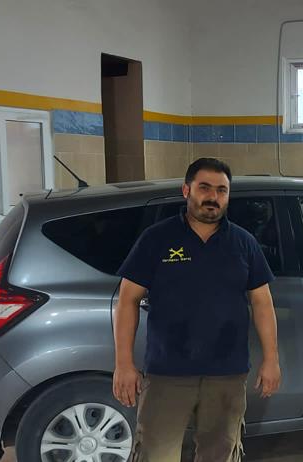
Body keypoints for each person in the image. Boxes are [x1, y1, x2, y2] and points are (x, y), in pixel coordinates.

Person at [112, 158, 282, 462]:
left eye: (221, 190)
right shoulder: (157, 239)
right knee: (155, 454)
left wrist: (271, 360)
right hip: (167, 373)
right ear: (186, 190)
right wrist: (124, 363)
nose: (213, 197)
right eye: (204, 188)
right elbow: (127, 300)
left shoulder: (243, 243)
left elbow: (262, 303)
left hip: (227, 374)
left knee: (220, 455)